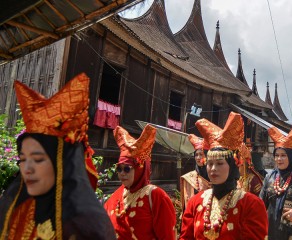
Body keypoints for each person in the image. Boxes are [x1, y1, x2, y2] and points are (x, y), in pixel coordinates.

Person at [0, 73, 116, 239]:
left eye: (38, 159)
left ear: (62, 163)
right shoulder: (17, 211)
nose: (27, 169)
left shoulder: (87, 227)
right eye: (23, 159)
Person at [180, 112, 268, 239]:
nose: (213, 169)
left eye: (220, 163)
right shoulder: (195, 202)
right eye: (210, 163)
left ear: (233, 165)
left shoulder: (251, 204)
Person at [104, 125, 176, 239]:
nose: (122, 173)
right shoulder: (116, 196)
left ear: (140, 168)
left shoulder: (156, 196)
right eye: (119, 168)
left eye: (127, 168)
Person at [180, 134, 211, 211]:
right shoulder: (189, 178)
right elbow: (186, 204)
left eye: (201, 154)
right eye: (196, 155)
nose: (198, 158)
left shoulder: (215, 176)